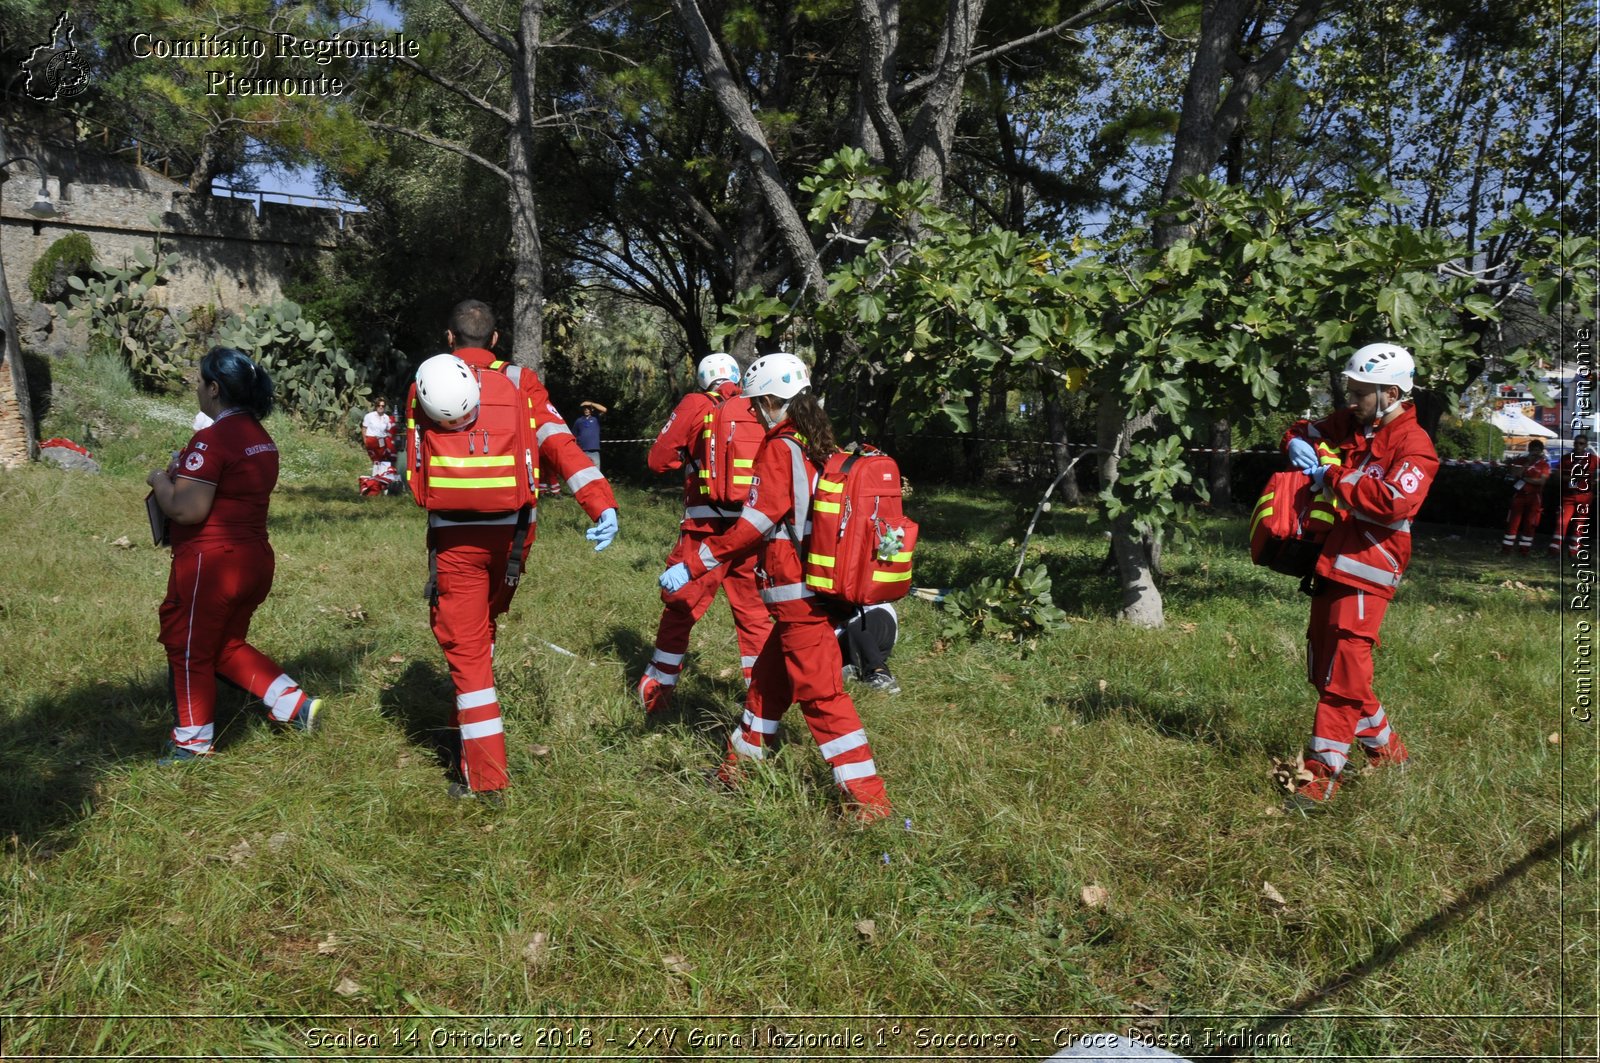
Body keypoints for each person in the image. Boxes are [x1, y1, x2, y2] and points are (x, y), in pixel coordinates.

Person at [659, 353, 891, 822]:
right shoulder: (820, 446)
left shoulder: (779, 448)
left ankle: (869, 803)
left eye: (754, 405)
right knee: (765, 687)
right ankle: (736, 773)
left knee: (823, 698)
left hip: (795, 595)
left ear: (768, 400)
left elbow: (754, 523)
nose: (753, 412)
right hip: (813, 593)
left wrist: (697, 562)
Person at [412, 300, 618, 803]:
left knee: (468, 652)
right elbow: (559, 442)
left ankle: (485, 780)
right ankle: (472, 708)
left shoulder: (427, 382)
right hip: (513, 539)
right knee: (481, 631)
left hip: (454, 539)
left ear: (449, 337)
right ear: (497, 339)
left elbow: (415, 468)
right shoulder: (523, 382)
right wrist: (599, 502)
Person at [145, 347, 321, 762]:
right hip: (254, 558)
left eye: (200, 384)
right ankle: (291, 703)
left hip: (211, 564)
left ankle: (192, 742)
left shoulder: (212, 438)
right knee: (225, 645)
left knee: (188, 648)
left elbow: (187, 509)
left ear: (214, 388)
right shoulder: (261, 438)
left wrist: (160, 478)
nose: (198, 392)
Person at [1281, 342, 1437, 810]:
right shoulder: (1354, 423)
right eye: (1351, 390)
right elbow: (1305, 429)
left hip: (1368, 572)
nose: (1351, 399)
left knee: (1342, 678)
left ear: (1391, 392)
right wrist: (1295, 441)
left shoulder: (1416, 447)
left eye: (1361, 392)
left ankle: (1320, 780)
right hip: (1331, 563)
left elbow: (1392, 501)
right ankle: (1389, 755)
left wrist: (1331, 475)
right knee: (1327, 670)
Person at [639, 353, 773, 713]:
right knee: (754, 615)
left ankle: (658, 690)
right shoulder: (760, 405)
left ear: (703, 379)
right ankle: (761, 704)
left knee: (681, 606)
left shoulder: (697, 404)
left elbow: (658, 460)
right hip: (751, 529)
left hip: (704, 529)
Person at [1501, 439, 1550, 555]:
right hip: (1520, 495)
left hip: (1534, 497)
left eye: (1537, 451)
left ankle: (1524, 550)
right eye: (1533, 450)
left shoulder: (1544, 465)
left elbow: (1541, 481)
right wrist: (1527, 464)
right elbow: (1514, 473)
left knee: (1530, 524)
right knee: (1513, 522)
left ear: (1541, 451)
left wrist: (1525, 478)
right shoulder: (1521, 460)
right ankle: (1506, 548)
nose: (1535, 453)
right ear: (1529, 450)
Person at [1550, 433, 1595, 560]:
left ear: (1586, 445)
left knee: (1579, 524)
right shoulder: (1566, 459)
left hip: (1584, 496)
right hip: (1568, 496)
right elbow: (1557, 476)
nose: (1578, 446)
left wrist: (1595, 481)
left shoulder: (1593, 459)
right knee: (1561, 522)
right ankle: (1554, 550)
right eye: (1576, 443)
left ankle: (1574, 551)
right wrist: (1573, 478)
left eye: (1581, 443)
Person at [837, 602, 899, 693]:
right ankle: (857, 673)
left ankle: (880, 673)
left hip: (874, 617)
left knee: (856, 628)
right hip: (849, 641)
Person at [361, 397, 396, 476]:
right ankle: (374, 475)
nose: (380, 407)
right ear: (376, 406)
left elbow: (387, 429)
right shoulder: (369, 416)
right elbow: (364, 428)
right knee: (375, 458)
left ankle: (380, 476)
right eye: (379, 405)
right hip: (371, 439)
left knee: (381, 458)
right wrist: (365, 440)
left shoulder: (386, 417)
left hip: (381, 440)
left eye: (382, 406)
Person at [574, 401, 606, 469]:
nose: (586, 410)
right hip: (582, 451)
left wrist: (590, 403)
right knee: (583, 472)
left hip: (594, 451)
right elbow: (574, 436)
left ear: (592, 409)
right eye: (585, 408)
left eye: (588, 408)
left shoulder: (596, 418)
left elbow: (604, 409)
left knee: (596, 473)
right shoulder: (578, 421)